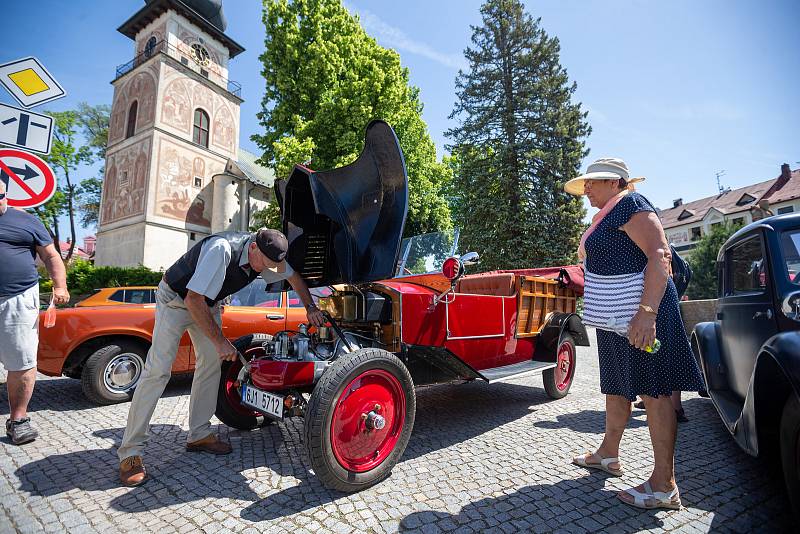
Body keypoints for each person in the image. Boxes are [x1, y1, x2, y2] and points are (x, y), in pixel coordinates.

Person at [118, 229, 325, 487]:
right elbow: (193, 300)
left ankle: (199, 435)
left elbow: (294, 278)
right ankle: (130, 453)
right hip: (176, 300)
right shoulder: (222, 249)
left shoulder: (268, 255)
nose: (269, 271)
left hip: (208, 304)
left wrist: (310, 308)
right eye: (266, 265)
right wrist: (219, 341)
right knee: (158, 371)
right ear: (253, 249)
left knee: (210, 366)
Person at [565, 158, 705, 510]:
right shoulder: (610, 213)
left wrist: (647, 314)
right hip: (618, 317)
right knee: (617, 384)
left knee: (654, 390)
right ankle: (608, 455)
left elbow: (660, 255)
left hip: (641, 313)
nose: (586, 191)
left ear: (615, 182)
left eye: (592, 184)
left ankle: (664, 485)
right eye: (585, 185)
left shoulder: (632, 204)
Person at [0, 180, 70, 444]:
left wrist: (60, 285)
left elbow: (51, 256)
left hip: (17, 298)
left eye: (0, 196)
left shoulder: (26, 221)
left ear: (6, 193)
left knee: (22, 361)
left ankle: (18, 419)